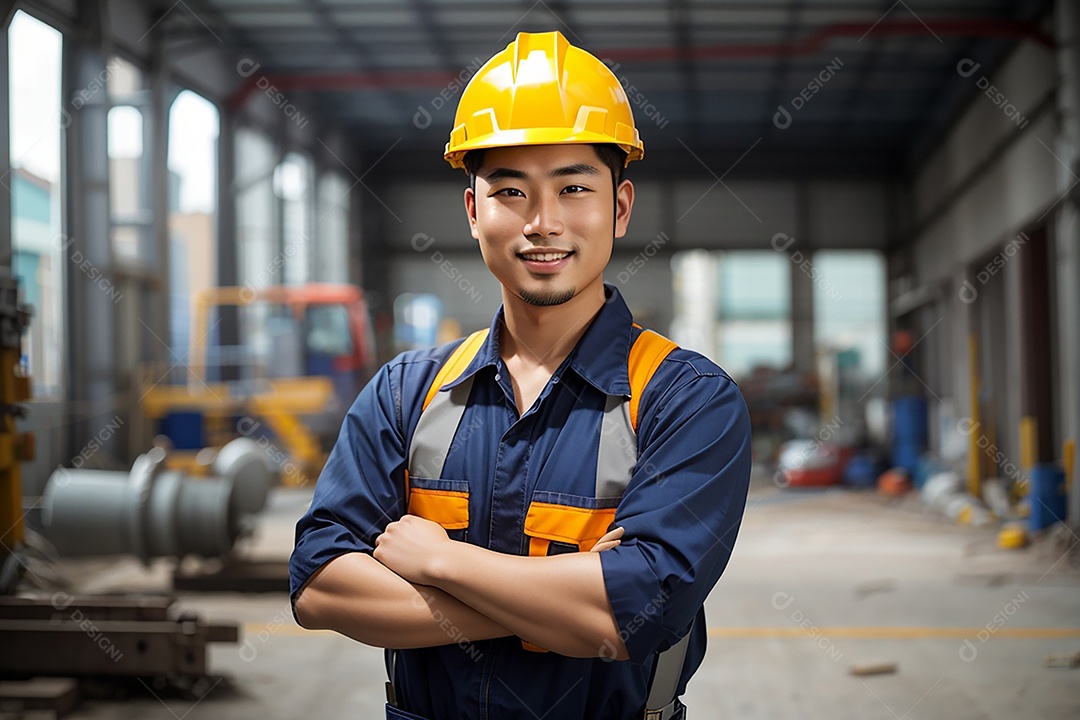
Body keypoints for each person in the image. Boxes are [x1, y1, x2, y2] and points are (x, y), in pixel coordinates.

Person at [289, 30, 752, 720]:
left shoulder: (685, 401)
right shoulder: (407, 393)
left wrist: (442, 563)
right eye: (511, 190)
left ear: (619, 208)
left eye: (573, 188)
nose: (543, 223)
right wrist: (570, 602)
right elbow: (319, 587)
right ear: (474, 212)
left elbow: (640, 615)